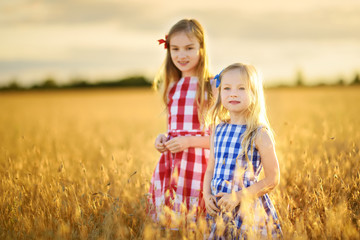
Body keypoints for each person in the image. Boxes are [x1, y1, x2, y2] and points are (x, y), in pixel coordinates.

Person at [203, 63, 282, 239]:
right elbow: (210, 169)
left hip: (247, 210)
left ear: (254, 94)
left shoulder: (258, 133)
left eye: (241, 88)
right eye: (227, 88)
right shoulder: (217, 130)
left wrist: (238, 196)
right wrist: (206, 195)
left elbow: (273, 178)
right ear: (220, 93)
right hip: (219, 209)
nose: (233, 93)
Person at [148, 19, 214, 228]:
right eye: (175, 49)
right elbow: (173, 129)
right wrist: (163, 139)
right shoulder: (172, 87)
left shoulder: (211, 86)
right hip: (174, 162)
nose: (181, 55)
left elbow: (218, 138)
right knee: (174, 220)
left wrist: (188, 141)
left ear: (201, 49)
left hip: (199, 163)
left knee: (198, 221)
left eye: (189, 48)